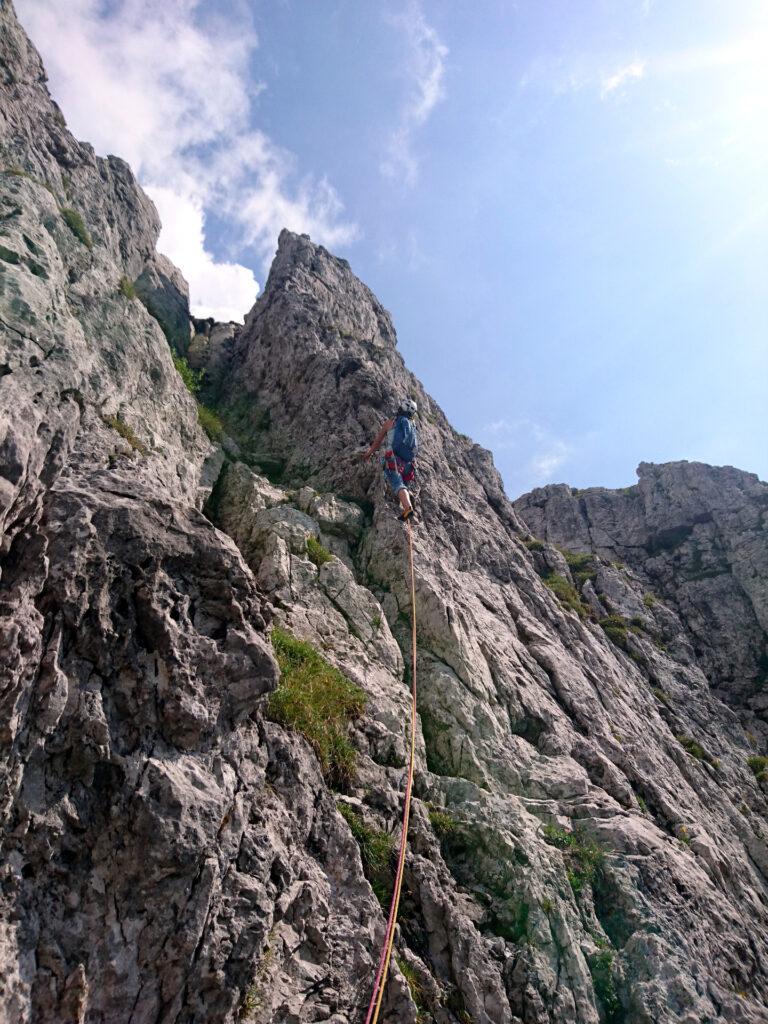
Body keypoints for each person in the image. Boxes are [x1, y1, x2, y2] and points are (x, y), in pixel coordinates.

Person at [364, 398, 419, 521]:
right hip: (409, 464)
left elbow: (377, 442)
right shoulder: (413, 426)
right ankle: (406, 503)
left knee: (397, 482)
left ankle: (407, 508)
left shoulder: (390, 423)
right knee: (403, 484)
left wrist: (368, 453)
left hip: (393, 458)